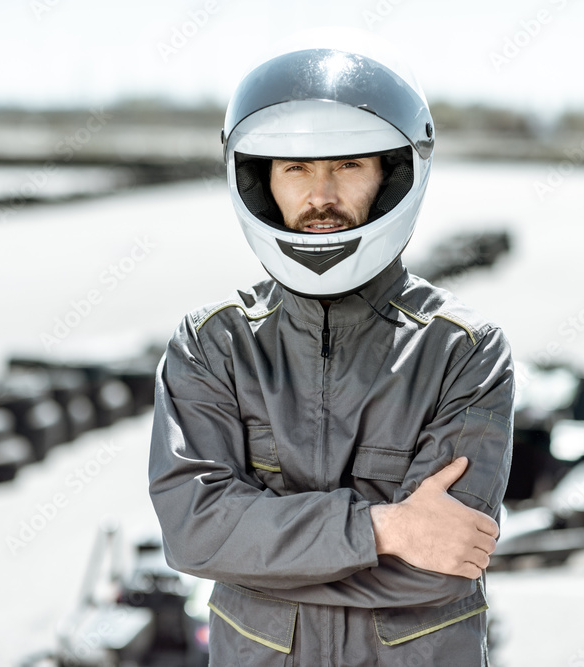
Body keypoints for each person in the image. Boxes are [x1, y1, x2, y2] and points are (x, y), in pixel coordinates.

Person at [148, 29, 514, 666]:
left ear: (390, 176)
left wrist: (260, 553)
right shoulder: (212, 345)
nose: (321, 195)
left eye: (347, 165)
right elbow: (194, 533)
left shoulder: (464, 350)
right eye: (296, 168)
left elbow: (441, 566)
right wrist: (384, 530)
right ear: (263, 180)